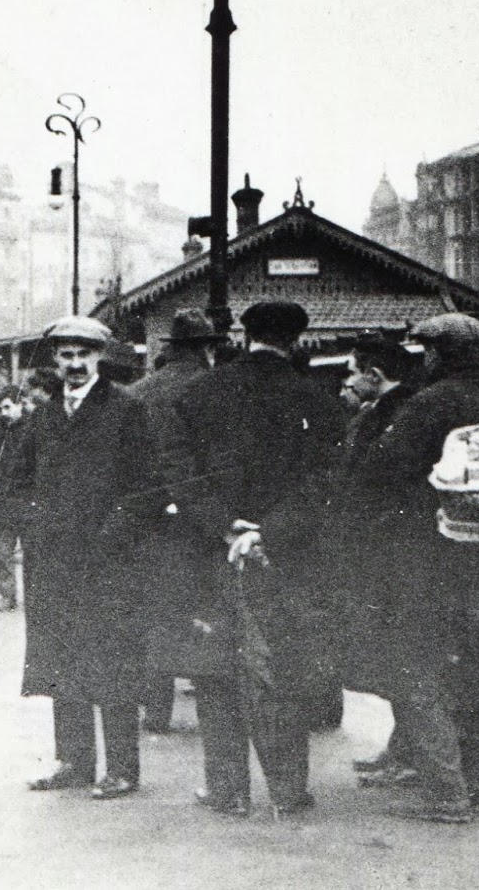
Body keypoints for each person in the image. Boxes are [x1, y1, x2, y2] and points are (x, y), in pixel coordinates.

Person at [354, 312, 479, 823]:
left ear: (433, 354)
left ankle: (448, 791)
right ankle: (473, 787)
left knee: (416, 669)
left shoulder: (428, 403)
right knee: (470, 675)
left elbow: (378, 471)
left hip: (425, 556)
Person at [167, 300, 347, 818]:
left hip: (213, 550)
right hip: (285, 556)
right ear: (296, 341)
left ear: (244, 337)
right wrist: (268, 531)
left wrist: (226, 525)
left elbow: (181, 473)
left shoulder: (199, 393)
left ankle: (226, 790)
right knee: (283, 667)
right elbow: (326, 483)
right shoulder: (317, 398)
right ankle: (289, 791)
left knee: (215, 668)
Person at [8, 316, 156, 800]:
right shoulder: (46, 414)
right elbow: (20, 480)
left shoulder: (125, 409)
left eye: (83, 355)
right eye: (66, 356)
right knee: (62, 660)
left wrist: (111, 536)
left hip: (107, 561)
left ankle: (123, 769)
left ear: (100, 358)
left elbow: (145, 487)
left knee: (111, 661)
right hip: (53, 561)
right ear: (55, 360)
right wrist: (32, 524)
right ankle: (74, 761)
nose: (74, 365)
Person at [132, 309, 223, 735]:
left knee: (156, 611)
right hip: (204, 518)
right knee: (208, 609)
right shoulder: (217, 389)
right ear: (207, 348)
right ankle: (215, 707)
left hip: (150, 519)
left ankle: (156, 710)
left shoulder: (139, 392)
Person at [335, 336, 420, 785]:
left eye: (352, 372)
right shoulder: (385, 411)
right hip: (382, 551)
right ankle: (402, 747)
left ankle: (410, 754)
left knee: (400, 658)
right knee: (396, 658)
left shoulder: (399, 414)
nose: (348, 381)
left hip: (388, 554)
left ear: (374, 374)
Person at [0, 386, 26, 607]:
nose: (4, 413)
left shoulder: (33, 434)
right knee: (3, 553)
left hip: (29, 504)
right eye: (0, 409)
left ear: (20, 406)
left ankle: (40, 598)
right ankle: (7, 596)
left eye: (8, 407)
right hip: (4, 505)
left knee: (36, 557)